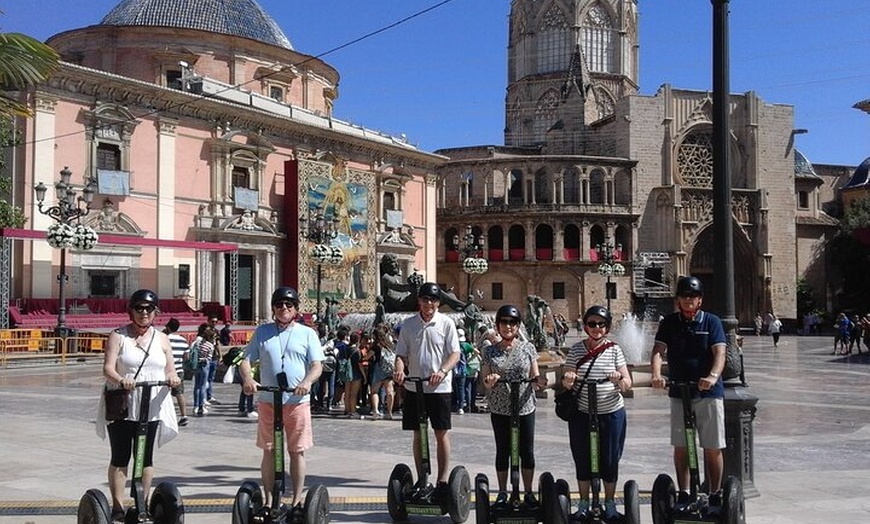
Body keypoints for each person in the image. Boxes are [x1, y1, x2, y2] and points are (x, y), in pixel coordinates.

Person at [97, 289, 180, 521]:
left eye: (149, 309)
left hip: (151, 404)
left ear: (156, 312)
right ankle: (117, 507)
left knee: (145, 458)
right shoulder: (118, 335)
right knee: (121, 456)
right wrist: (121, 379)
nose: (144, 313)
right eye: (139, 308)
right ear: (131, 311)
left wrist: (173, 377)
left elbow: (170, 368)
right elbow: (108, 368)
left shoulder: (162, 338)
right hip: (123, 404)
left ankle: (142, 505)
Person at [239, 286, 324, 509]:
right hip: (268, 400)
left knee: (296, 451)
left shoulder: (308, 333)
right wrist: (248, 379)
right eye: (279, 305)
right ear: (273, 308)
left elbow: (317, 366)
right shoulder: (262, 331)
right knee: (268, 450)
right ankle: (268, 500)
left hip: (297, 402)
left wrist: (306, 383)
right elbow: (246, 360)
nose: (283, 308)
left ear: (296, 308)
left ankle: (296, 500)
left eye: (288, 305)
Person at [650, 276, 727, 507]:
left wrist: (712, 377)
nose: (687, 300)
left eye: (692, 297)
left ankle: (714, 493)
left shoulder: (712, 322)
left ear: (700, 300)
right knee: (681, 445)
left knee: (712, 446)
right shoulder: (670, 323)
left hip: (708, 393)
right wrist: (656, 375)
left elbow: (720, 354)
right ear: (678, 300)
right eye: (684, 297)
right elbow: (658, 350)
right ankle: (684, 492)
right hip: (679, 391)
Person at [560, 305, 631, 519]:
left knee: (609, 460)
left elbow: (628, 382)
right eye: (592, 324)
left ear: (607, 327)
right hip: (582, 413)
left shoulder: (614, 349)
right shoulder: (576, 350)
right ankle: (583, 503)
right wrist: (568, 380)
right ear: (586, 326)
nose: (597, 328)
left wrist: (619, 380)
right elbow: (566, 379)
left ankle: (609, 503)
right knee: (582, 458)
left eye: (601, 324)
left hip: (611, 413)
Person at [393, 282, 461, 499]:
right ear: (419, 301)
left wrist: (442, 371)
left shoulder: (446, 323)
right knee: (418, 433)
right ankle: (422, 478)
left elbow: (454, 354)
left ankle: (442, 480)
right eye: (424, 299)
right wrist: (399, 371)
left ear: (438, 303)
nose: (428, 304)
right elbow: (401, 355)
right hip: (415, 386)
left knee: (441, 433)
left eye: (432, 300)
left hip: (439, 387)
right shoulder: (408, 324)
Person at [481, 304, 547, 509]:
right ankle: (502, 492)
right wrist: (489, 380)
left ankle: (528, 492)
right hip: (500, 407)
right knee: (503, 450)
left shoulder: (528, 348)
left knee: (526, 451)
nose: (508, 326)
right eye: (504, 323)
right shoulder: (489, 350)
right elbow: (484, 379)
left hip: (524, 407)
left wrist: (539, 381)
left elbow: (534, 375)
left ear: (518, 326)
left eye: (512, 323)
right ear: (498, 326)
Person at [162, 317, 189, 427]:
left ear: (168, 327)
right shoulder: (183, 340)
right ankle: (184, 416)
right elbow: (186, 357)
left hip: (165, 370)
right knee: (179, 394)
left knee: (164, 394)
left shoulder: (164, 339)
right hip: (178, 370)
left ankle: (164, 416)